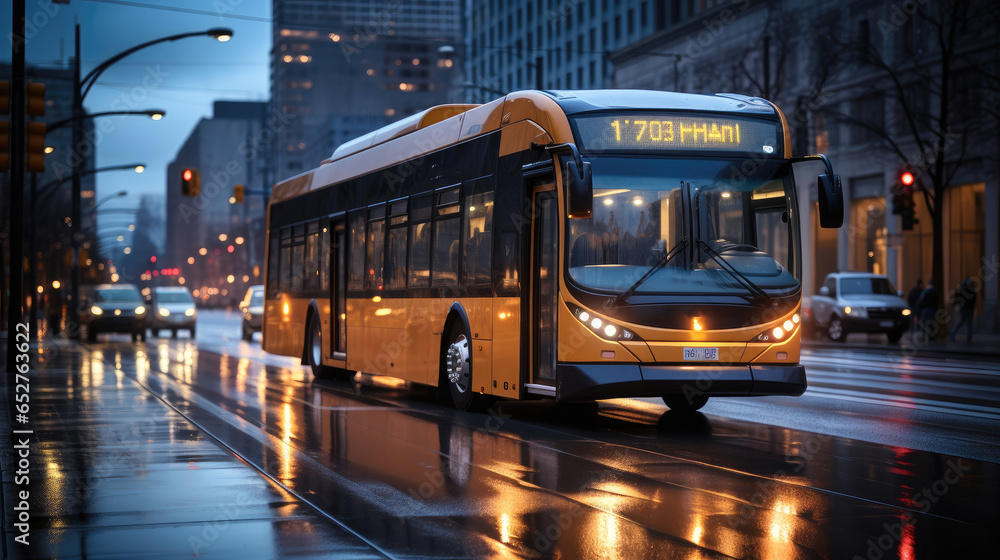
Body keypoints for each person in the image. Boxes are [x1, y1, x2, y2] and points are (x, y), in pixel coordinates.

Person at [949, 276, 976, 343]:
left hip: (963, 308)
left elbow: (956, 297)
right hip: (969, 308)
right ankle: (969, 340)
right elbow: (974, 298)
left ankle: (953, 331)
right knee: (969, 324)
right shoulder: (971, 287)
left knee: (962, 322)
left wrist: (956, 306)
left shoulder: (961, 287)